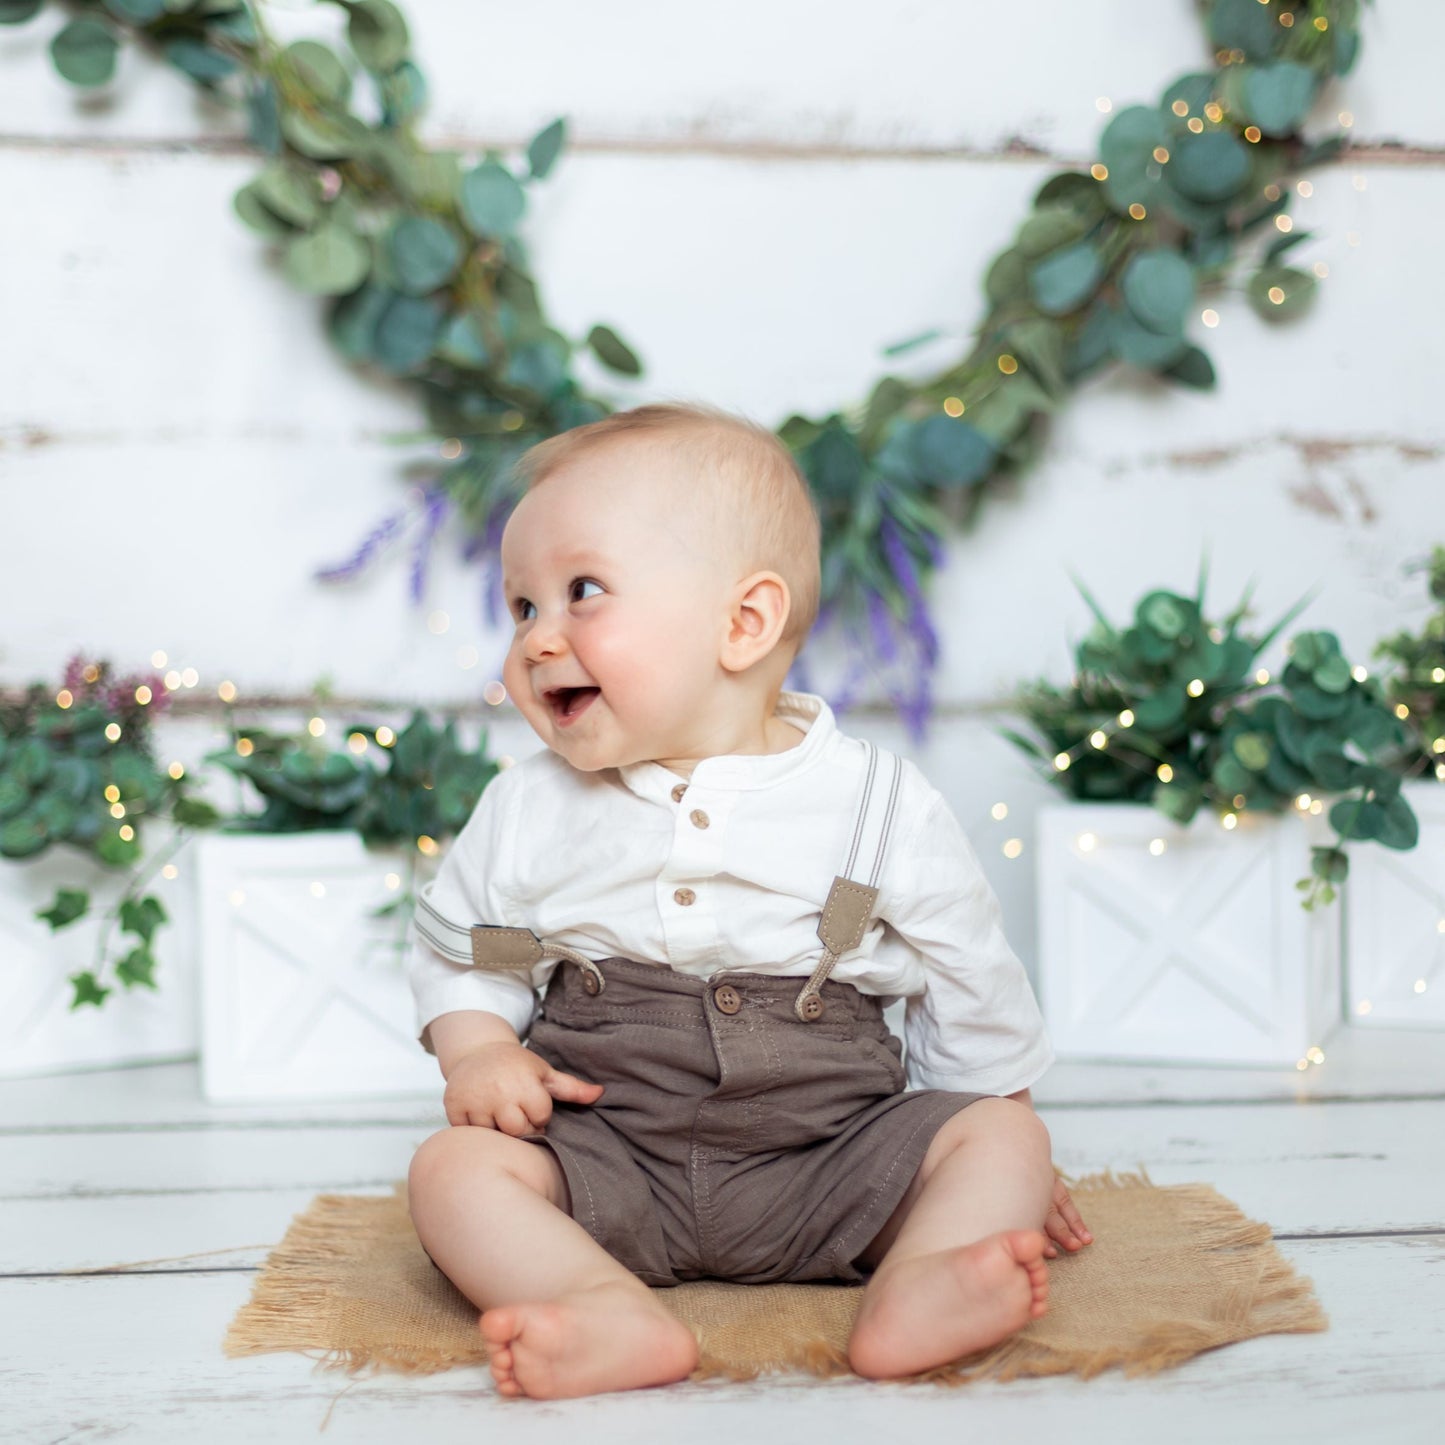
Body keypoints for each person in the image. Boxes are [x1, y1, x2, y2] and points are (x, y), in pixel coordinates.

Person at [405, 402, 1092, 1401]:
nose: (536, 639)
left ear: (743, 622)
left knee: (999, 1137)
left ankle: (922, 1281)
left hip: (829, 1158)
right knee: (451, 1170)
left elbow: (966, 978)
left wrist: (1000, 1177)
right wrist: (479, 1048)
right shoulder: (530, 805)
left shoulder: (875, 800)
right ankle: (596, 1301)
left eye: (579, 591)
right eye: (519, 607)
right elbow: (470, 946)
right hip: (609, 1154)